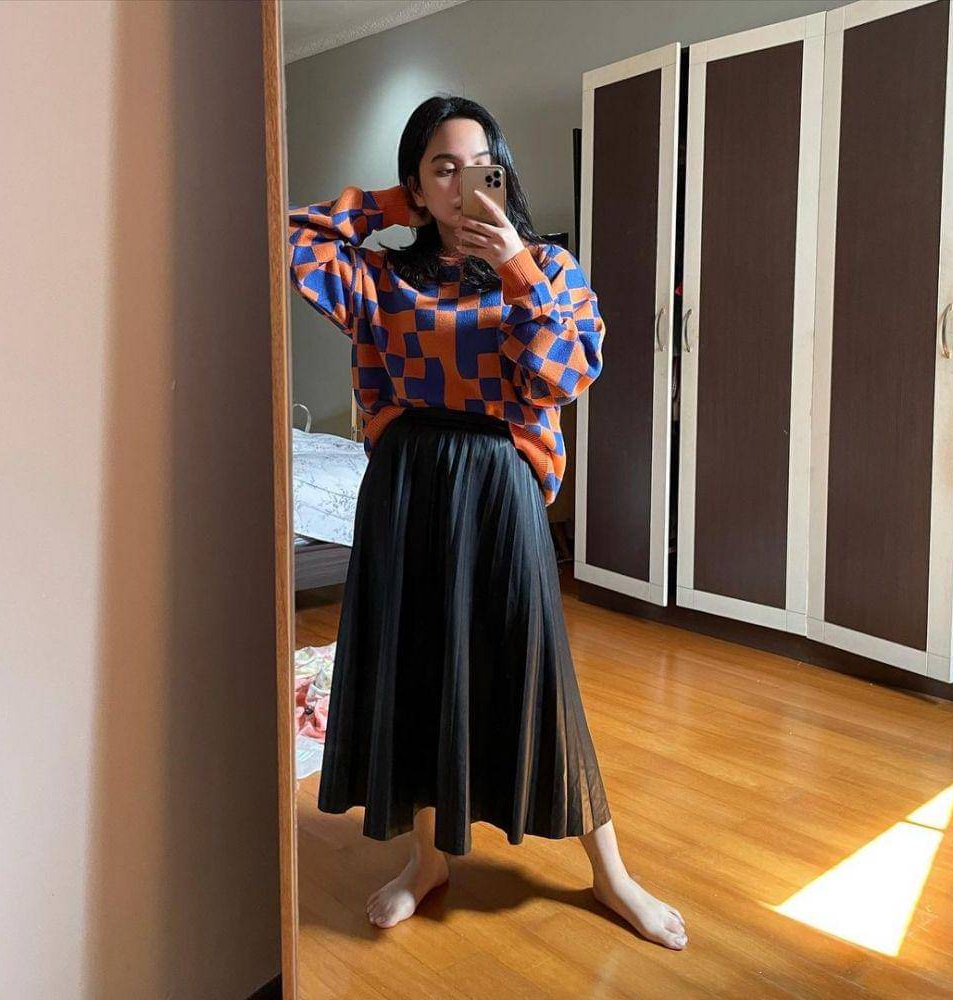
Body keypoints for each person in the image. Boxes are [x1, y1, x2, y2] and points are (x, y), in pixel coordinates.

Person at [287, 95, 688, 951]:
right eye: (442, 168)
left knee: (538, 670)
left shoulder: (549, 267)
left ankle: (611, 873)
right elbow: (293, 239)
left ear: (502, 174)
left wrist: (513, 264)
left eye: (479, 167)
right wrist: (389, 207)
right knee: (420, 671)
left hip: (500, 481)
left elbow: (562, 375)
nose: (463, 183)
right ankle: (426, 863)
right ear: (416, 183)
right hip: (405, 484)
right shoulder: (385, 278)